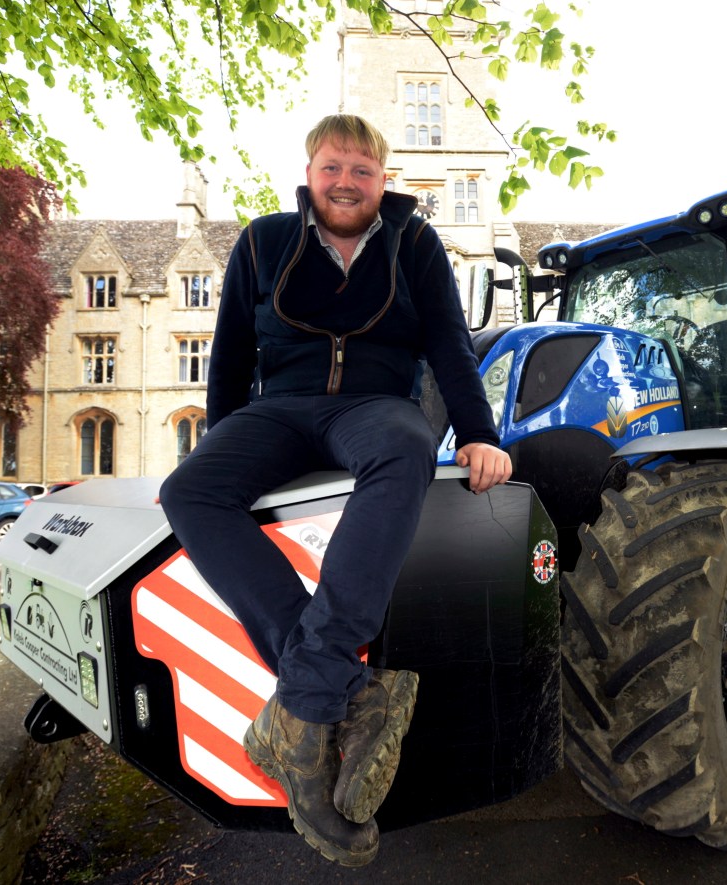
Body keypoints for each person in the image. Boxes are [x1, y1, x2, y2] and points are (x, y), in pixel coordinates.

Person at [158, 114, 512, 867]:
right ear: (310, 172)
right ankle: (345, 694)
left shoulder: (414, 243)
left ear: (383, 180)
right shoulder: (262, 240)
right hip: (278, 407)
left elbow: (448, 339)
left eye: (362, 169)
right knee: (190, 491)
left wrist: (481, 433)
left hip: (374, 407)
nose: (346, 181)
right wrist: (221, 441)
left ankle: (303, 704)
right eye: (333, 167)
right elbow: (229, 352)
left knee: (409, 449)